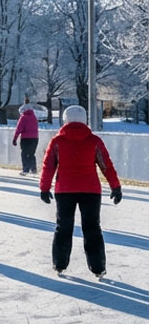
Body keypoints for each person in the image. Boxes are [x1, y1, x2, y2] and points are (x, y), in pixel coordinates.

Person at [40, 105, 123, 279]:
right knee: (92, 228)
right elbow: (105, 165)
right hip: (90, 190)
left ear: (65, 119)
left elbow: (49, 166)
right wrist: (115, 186)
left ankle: (59, 264)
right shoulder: (94, 141)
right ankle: (98, 268)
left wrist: (44, 187)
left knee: (63, 227)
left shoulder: (57, 141)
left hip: (65, 191)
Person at [13, 103, 40, 175]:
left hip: (26, 138)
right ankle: (33, 169)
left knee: (24, 153)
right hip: (35, 138)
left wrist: (15, 138)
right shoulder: (34, 117)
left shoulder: (23, 117)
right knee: (31, 154)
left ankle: (25, 169)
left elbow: (19, 129)